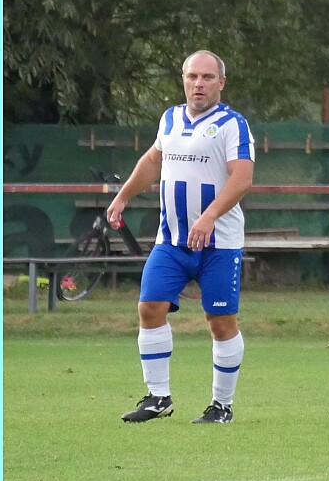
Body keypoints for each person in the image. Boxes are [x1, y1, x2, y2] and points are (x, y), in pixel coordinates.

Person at [108, 50, 254, 424]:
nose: (198, 84)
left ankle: (221, 406)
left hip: (219, 244)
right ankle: (158, 398)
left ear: (221, 82)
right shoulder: (170, 118)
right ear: (184, 80)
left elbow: (242, 179)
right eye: (192, 76)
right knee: (149, 308)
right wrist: (123, 196)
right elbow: (153, 161)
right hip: (171, 242)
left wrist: (209, 217)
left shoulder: (233, 124)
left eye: (207, 77)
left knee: (220, 321)